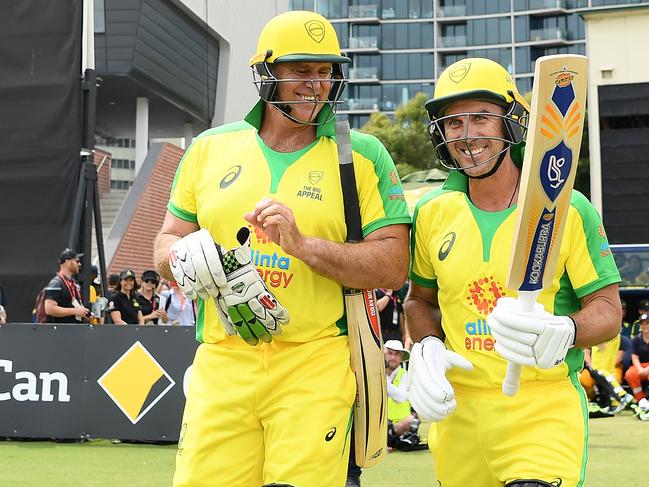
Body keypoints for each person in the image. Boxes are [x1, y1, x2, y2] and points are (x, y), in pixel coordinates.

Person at [153, 11, 410, 487]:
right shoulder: (209, 148)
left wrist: (304, 246)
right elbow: (164, 242)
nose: (316, 85)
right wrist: (183, 257)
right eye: (301, 71)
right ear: (266, 72)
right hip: (223, 359)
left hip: (314, 361)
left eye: (324, 72)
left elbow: (394, 266)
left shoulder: (364, 154)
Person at [406, 58, 622, 487]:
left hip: (541, 410)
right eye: (453, 123)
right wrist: (426, 346)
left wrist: (567, 329)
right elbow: (419, 301)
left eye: (481, 118)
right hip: (459, 416)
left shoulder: (568, 208)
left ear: (511, 123)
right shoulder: (431, 213)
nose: (466, 135)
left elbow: (608, 309)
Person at [579, 334, 634, 416]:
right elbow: (586, 351)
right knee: (606, 371)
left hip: (604, 333)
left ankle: (623, 395)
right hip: (602, 333)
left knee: (600, 370)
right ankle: (615, 403)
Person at [384, 340, 420, 451]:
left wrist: (382, 380)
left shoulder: (406, 375)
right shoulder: (376, 373)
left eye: (396, 354)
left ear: (401, 357)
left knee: (412, 421)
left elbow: (401, 397)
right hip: (380, 422)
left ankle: (387, 438)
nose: (393, 357)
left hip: (399, 425)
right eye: (390, 353)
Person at [43, 249, 91, 323]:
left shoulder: (74, 284)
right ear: (68, 262)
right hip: (60, 332)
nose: (80, 264)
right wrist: (75, 311)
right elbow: (49, 309)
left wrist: (85, 314)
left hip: (74, 331)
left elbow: (76, 307)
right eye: (77, 261)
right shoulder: (56, 283)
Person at [624, 313, 649, 420]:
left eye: (647, 323)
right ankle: (641, 402)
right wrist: (640, 369)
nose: (645, 326)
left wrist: (647, 369)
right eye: (642, 324)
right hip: (640, 366)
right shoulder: (636, 339)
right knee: (629, 374)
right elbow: (634, 357)